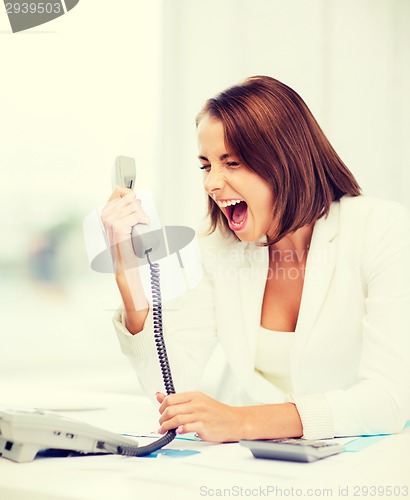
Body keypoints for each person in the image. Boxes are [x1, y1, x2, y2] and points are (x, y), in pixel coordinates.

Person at [101, 76, 410, 443]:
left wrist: (243, 421)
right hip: (254, 463)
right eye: (206, 165)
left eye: (231, 163)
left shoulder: (384, 230)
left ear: (285, 160)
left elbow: (389, 399)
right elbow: (171, 389)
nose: (211, 184)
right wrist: (128, 277)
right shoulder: (217, 250)